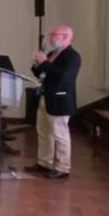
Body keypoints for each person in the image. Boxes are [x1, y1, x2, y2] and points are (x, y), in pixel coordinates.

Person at [28, 24, 81, 179]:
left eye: (53, 35)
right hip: (45, 96)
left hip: (60, 99)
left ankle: (63, 167)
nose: (50, 38)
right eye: (50, 35)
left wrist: (45, 62)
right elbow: (40, 73)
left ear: (65, 36)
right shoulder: (52, 53)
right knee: (43, 131)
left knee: (59, 134)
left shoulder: (72, 56)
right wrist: (37, 63)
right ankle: (45, 162)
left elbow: (62, 76)